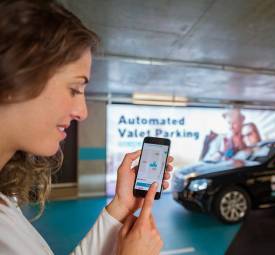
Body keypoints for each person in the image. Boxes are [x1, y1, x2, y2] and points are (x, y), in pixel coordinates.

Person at [0, 1, 173, 254]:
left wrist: (122, 205)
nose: (82, 112)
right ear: (15, 77)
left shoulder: (4, 202)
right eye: (74, 89)